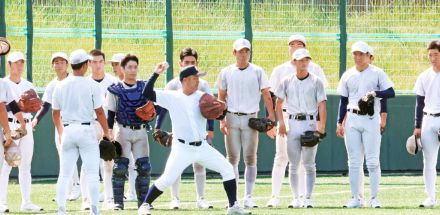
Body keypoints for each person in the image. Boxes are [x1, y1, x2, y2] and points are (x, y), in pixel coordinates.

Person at [137, 65, 250, 215]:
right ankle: (145, 204)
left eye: (198, 77)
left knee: (228, 169)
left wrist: (221, 113)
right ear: (185, 80)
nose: (198, 80)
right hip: (182, 148)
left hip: (202, 147)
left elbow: (216, 113)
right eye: (195, 78)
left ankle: (233, 206)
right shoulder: (172, 96)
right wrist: (156, 73)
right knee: (167, 179)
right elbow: (147, 93)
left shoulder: (202, 97)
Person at [267, 34, 328, 208]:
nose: (303, 61)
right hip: (288, 119)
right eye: (292, 44)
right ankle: (279, 196)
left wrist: (320, 126)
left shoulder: (315, 76)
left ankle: (306, 197)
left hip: (309, 119)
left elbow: (322, 103)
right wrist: (276, 123)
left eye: (299, 44)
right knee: (284, 159)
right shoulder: (282, 74)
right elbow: (274, 100)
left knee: (308, 163)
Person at [217, 38, 275, 208]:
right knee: (232, 159)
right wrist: (222, 119)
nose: (243, 54)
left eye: (246, 51)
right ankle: (233, 198)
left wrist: (271, 117)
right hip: (232, 116)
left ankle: (249, 196)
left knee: (250, 159)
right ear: (234, 52)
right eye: (240, 51)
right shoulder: (226, 72)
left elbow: (266, 94)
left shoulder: (257, 71)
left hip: (251, 118)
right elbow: (221, 96)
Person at [336, 41, 395, 208]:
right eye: (355, 53)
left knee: (372, 161)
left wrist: (375, 93)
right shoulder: (348, 74)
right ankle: (356, 198)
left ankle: (374, 198)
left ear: (370, 56)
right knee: (353, 162)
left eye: (361, 54)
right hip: (352, 119)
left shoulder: (377, 73)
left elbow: (391, 92)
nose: (358, 57)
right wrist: (339, 122)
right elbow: (343, 100)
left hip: (370, 119)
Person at [52, 49, 111, 215]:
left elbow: (55, 113)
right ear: (86, 65)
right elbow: (99, 112)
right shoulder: (92, 84)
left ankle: (61, 209)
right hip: (86, 129)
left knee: (64, 174)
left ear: (71, 64)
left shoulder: (61, 84)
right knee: (92, 173)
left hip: (68, 129)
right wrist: (107, 132)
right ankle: (94, 210)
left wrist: (61, 132)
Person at [154, 47, 213, 209]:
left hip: (199, 132)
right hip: (180, 132)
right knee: (176, 166)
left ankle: (201, 198)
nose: (189, 64)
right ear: (180, 63)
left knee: (199, 164)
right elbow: (163, 108)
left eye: (192, 62)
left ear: (197, 63)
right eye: (186, 62)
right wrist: (157, 127)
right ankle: (175, 199)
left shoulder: (203, 84)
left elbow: (211, 109)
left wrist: (211, 130)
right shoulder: (173, 84)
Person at [31, 52, 82, 201]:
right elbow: (45, 106)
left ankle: (78, 187)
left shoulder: (75, 81)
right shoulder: (52, 84)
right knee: (64, 157)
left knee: (79, 156)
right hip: (60, 125)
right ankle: (69, 190)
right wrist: (36, 120)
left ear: (67, 64)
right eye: (56, 62)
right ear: (53, 66)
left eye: (62, 62)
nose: (59, 65)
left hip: (78, 123)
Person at [106, 54, 153, 210]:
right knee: (120, 167)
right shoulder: (115, 89)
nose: (133, 70)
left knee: (144, 167)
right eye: (129, 67)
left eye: (135, 67)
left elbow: (155, 106)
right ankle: (118, 202)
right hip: (123, 130)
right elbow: (111, 113)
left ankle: (144, 203)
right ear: (122, 69)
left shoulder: (144, 87)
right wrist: (109, 131)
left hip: (140, 130)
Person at [0, 51, 43, 212]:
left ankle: (26, 203)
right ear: (9, 64)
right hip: (10, 126)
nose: (19, 65)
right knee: (6, 165)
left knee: (25, 166)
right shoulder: (3, 83)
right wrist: (18, 105)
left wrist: (33, 108)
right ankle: (2, 202)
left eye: (21, 62)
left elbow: (37, 105)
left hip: (26, 127)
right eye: (15, 62)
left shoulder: (28, 84)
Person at [80, 49, 118, 210]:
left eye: (100, 61)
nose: (97, 65)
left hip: (109, 125)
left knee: (109, 161)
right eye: (93, 62)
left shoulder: (113, 82)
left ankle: (108, 199)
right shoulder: (83, 83)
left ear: (104, 62)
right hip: (89, 124)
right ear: (88, 64)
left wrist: (111, 129)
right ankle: (86, 200)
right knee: (87, 163)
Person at [413, 40, 440, 208]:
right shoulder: (424, 76)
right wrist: (417, 126)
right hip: (428, 120)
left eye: (436, 55)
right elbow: (419, 102)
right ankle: (430, 197)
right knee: (428, 161)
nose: (432, 58)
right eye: (430, 55)